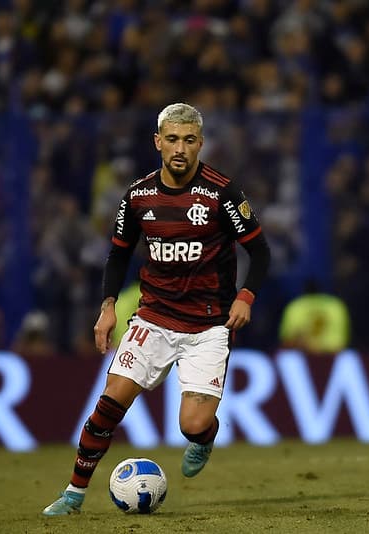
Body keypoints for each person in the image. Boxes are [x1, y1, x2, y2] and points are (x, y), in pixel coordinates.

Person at [42, 103, 271, 516]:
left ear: (200, 143)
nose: (179, 148)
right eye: (171, 139)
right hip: (154, 317)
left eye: (188, 140)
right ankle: (73, 495)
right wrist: (108, 307)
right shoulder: (138, 195)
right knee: (109, 403)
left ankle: (204, 438)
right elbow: (118, 256)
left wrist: (246, 295)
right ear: (157, 142)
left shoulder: (222, 192)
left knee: (192, 424)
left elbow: (260, 250)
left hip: (208, 325)